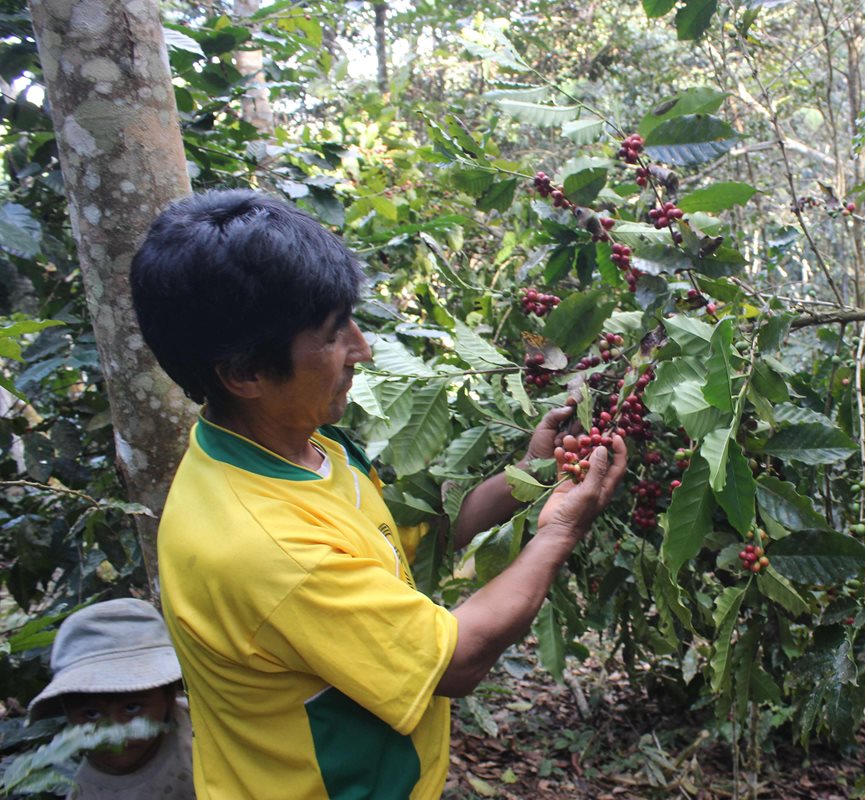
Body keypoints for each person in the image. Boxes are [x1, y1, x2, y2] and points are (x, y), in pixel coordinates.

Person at [128, 189, 626, 799]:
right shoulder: (263, 546)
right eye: (336, 335)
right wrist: (559, 531)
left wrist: (530, 472)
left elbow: (406, 539)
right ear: (245, 374)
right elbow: (456, 658)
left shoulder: (301, 449)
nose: (362, 349)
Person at [26, 598, 195, 799]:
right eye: (91, 714)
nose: (115, 731)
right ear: (69, 715)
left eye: (132, 708)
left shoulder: (202, 728)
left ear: (168, 696)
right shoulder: (87, 793)